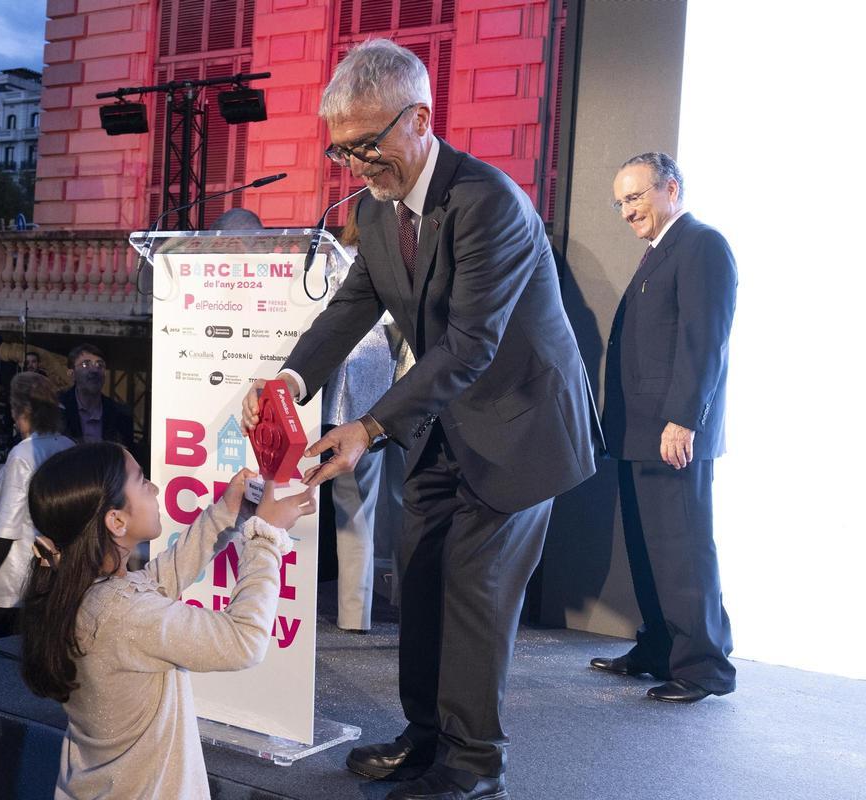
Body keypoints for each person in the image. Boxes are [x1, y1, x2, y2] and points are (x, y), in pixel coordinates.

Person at [241, 39, 597, 800]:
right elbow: (349, 309)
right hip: (443, 417)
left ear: (421, 121)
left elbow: (471, 344)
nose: (359, 166)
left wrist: (367, 428)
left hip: (521, 425)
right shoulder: (376, 211)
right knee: (423, 578)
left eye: (369, 145)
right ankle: (425, 737)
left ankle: (474, 767)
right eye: (343, 152)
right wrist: (291, 379)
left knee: (475, 589)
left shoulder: (489, 200)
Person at [19, 442, 316, 800]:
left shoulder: (79, 592)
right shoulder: (122, 614)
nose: (155, 489)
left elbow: (159, 581)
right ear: (116, 520)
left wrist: (227, 512)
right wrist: (266, 536)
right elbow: (244, 641)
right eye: (142, 482)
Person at [590, 152, 737, 703]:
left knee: (682, 551)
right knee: (650, 550)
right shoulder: (660, 251)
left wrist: (683, 419)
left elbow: (705, 343)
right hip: (640, 433)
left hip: (674, 433)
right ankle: (660, 650)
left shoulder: (701, 244)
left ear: (670, 188)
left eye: (635, 197)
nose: (627, 211)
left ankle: (704, 667)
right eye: (620, 201)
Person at [321, 199, 402, 631]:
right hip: (345, 390)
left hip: (364, 396)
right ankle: (355, 612)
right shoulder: (337, 256)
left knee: (358, 504)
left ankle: (357, 612)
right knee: (358, 505)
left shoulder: (337, 259)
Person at [0, 372, 75, 640]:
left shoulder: (23, 454)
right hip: (52, 562)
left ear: (21, 410)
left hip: (15, 566)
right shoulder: (67, 446)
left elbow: (9, 519)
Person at [58, 343, 136, 450]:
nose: (95, 370)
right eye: (85, 364)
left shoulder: (121, 414)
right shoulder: (56, 409)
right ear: (72, 374)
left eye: (100, 365)